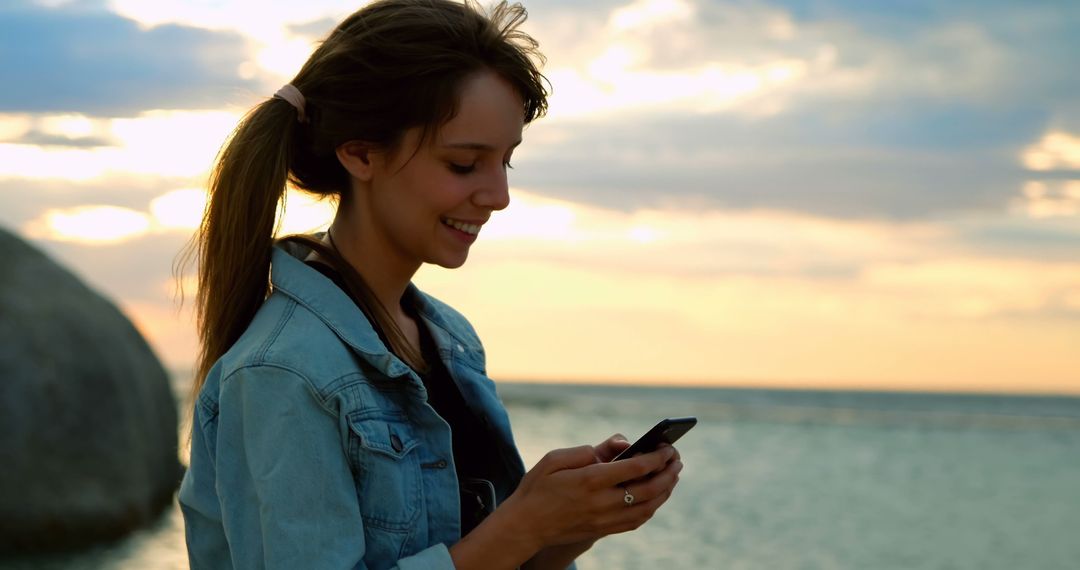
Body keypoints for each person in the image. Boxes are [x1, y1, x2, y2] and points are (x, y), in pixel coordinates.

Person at [176, 1, 683, 568]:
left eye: (506, 162)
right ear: (361, 154)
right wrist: (525, 524)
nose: (498, 195)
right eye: (465, 165)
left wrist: (570, 522)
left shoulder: (448, 338)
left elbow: (486, 555)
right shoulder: (283, 373)